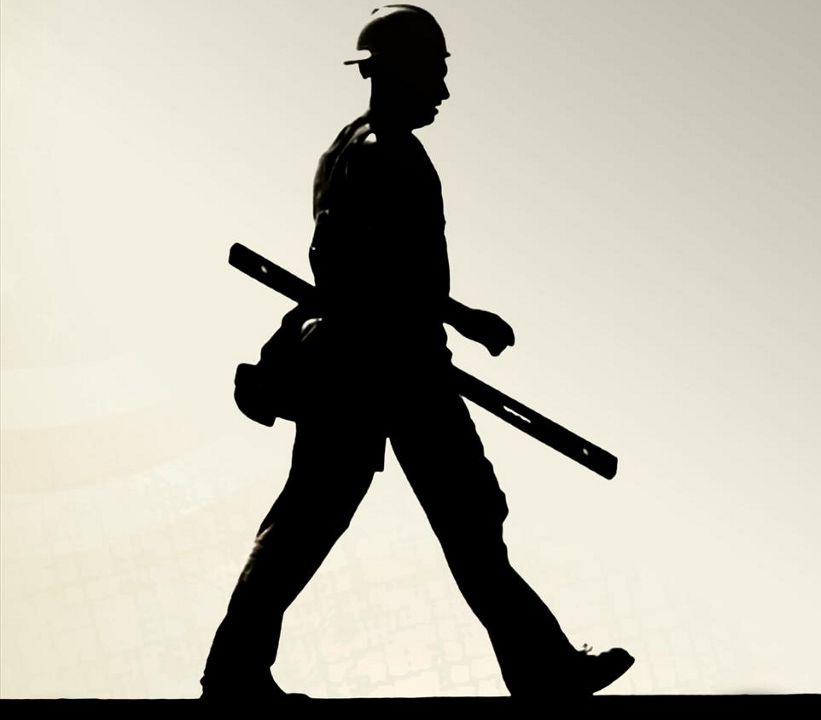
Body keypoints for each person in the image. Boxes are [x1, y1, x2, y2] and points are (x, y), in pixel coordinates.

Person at [199, 4, 634, 700]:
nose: (443, 90)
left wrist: (448, 320)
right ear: (396, 70)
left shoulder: (352, 149)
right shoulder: (382, 153)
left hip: (377, 364)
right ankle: (234, 673)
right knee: (358, 522)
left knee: (417, 521)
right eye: (434, 72)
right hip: (384, 368)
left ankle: (541, 666)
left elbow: (358, 269)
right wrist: (462, 317)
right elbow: (366, 272)